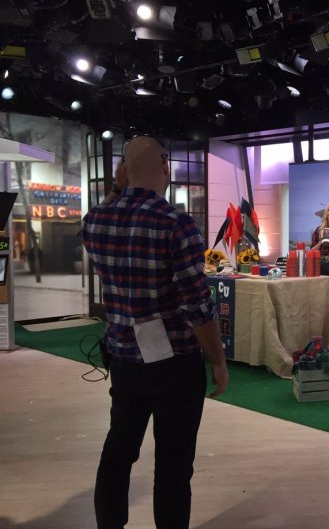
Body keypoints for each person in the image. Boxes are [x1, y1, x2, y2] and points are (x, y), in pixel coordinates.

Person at [81, 135, 229, 529]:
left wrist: (119, 188)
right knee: (174, 464)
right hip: (175, 365)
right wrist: (217, 359)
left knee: (118, 451)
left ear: (122, 170)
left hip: (124, 359)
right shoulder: (176, 223)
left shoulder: (95, 221)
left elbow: (109, 213)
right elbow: (197, 306)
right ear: (166, 165)